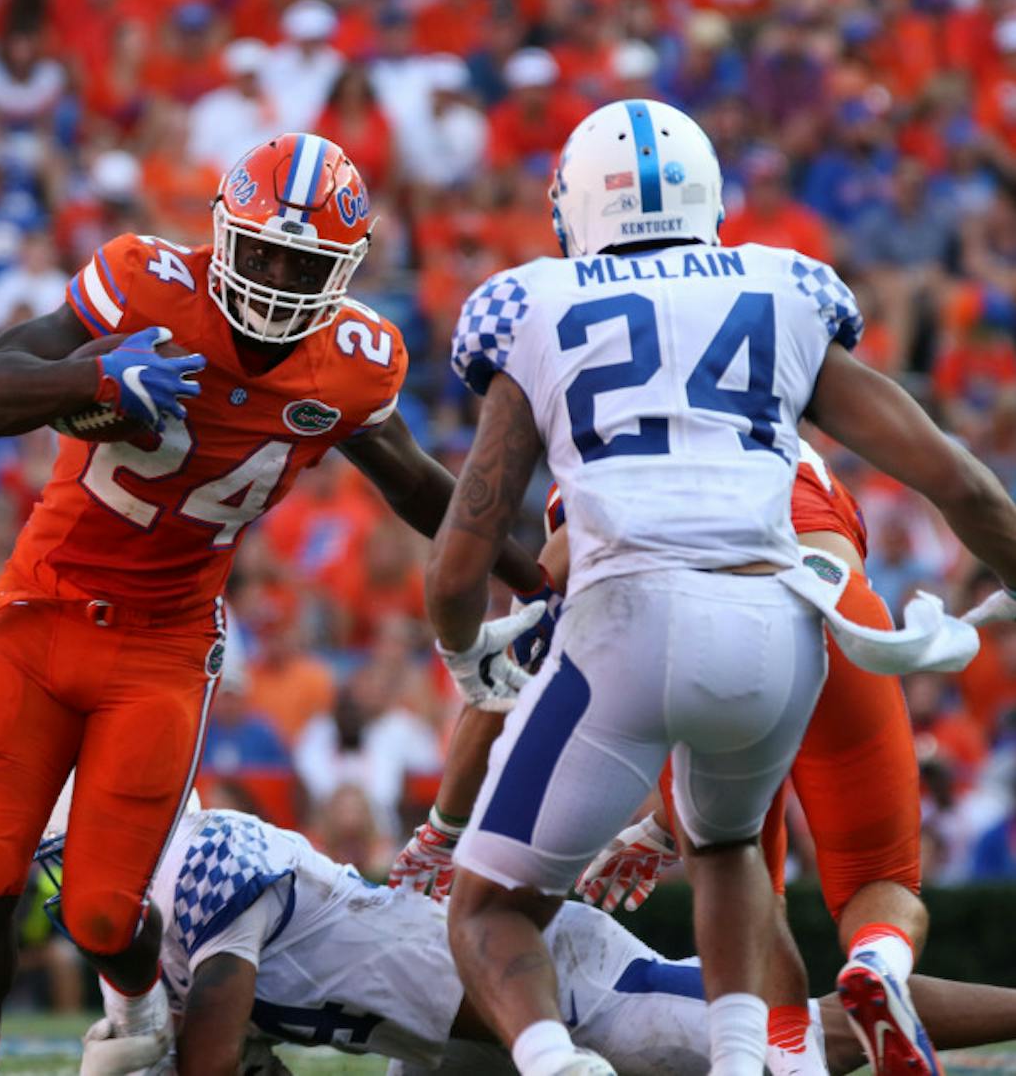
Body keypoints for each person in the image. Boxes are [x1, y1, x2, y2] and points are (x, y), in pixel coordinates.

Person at [425, 98, 1016, 1076]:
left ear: (573, 206)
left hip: (635, 621)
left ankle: (561, 1061)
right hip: (794, 612)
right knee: (753, 854)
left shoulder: (538, 307)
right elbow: (955, 478)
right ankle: (806, 1022)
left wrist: (459, 656)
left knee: (492, 907)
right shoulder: (781, 297)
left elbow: (468, 558)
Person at [0, 132, 545, 1076]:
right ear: (222, 234)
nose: (272, 275)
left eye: (299, 261)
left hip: (164, 646)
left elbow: (419, 487)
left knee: (101, 909)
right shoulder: (143, 283)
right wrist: (89, 378)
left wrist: (541, 572)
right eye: (258, 250)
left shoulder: (351, 359)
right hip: (41, 610)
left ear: (341, 269)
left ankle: (140, 1009)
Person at [409, 438, 948, 1076]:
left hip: (694, 636)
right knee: (878, 881)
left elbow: (513, 665)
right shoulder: (774, 420)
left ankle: (769, 1058)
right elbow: (951, 478)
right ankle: (877, 963)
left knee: (743, 885)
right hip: (833, 598)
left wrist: (441, 830)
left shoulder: (602, 444)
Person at [39, 801, 1016, 1076]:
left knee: (813, 1036)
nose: (66, 882)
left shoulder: (212, 867)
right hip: (448, 1041)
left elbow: (211, 1060)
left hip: (548, 984)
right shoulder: (174, 924)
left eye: (68, 854)